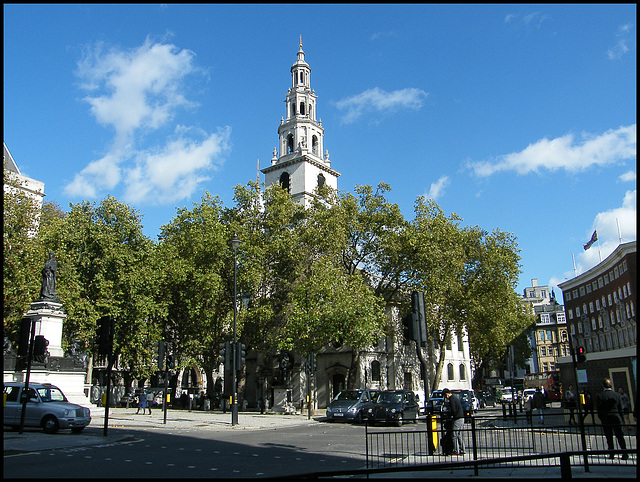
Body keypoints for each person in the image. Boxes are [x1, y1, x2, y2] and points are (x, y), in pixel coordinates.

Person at [596, 378, 628, 460]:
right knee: (620, 436)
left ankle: (611, 453)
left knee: (609, 436)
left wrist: (602, 418)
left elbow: (599, 409)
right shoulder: (617, 395)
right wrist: (621, 417)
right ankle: (624, 453)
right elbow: (621, 408)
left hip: (606, 418)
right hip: (616, 417)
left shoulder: (600, 396)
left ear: (603, 386)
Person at [442, 388, 465, 456]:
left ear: (447, 394)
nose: (445, 398)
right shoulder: (455, 398)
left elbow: (454, 410)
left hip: (457, 419)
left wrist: (449, 415)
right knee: (459, 435)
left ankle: (456, 450)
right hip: (461, 418)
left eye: (444, 396)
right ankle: (462, 450)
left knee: (454, 435)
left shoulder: (452, 399)